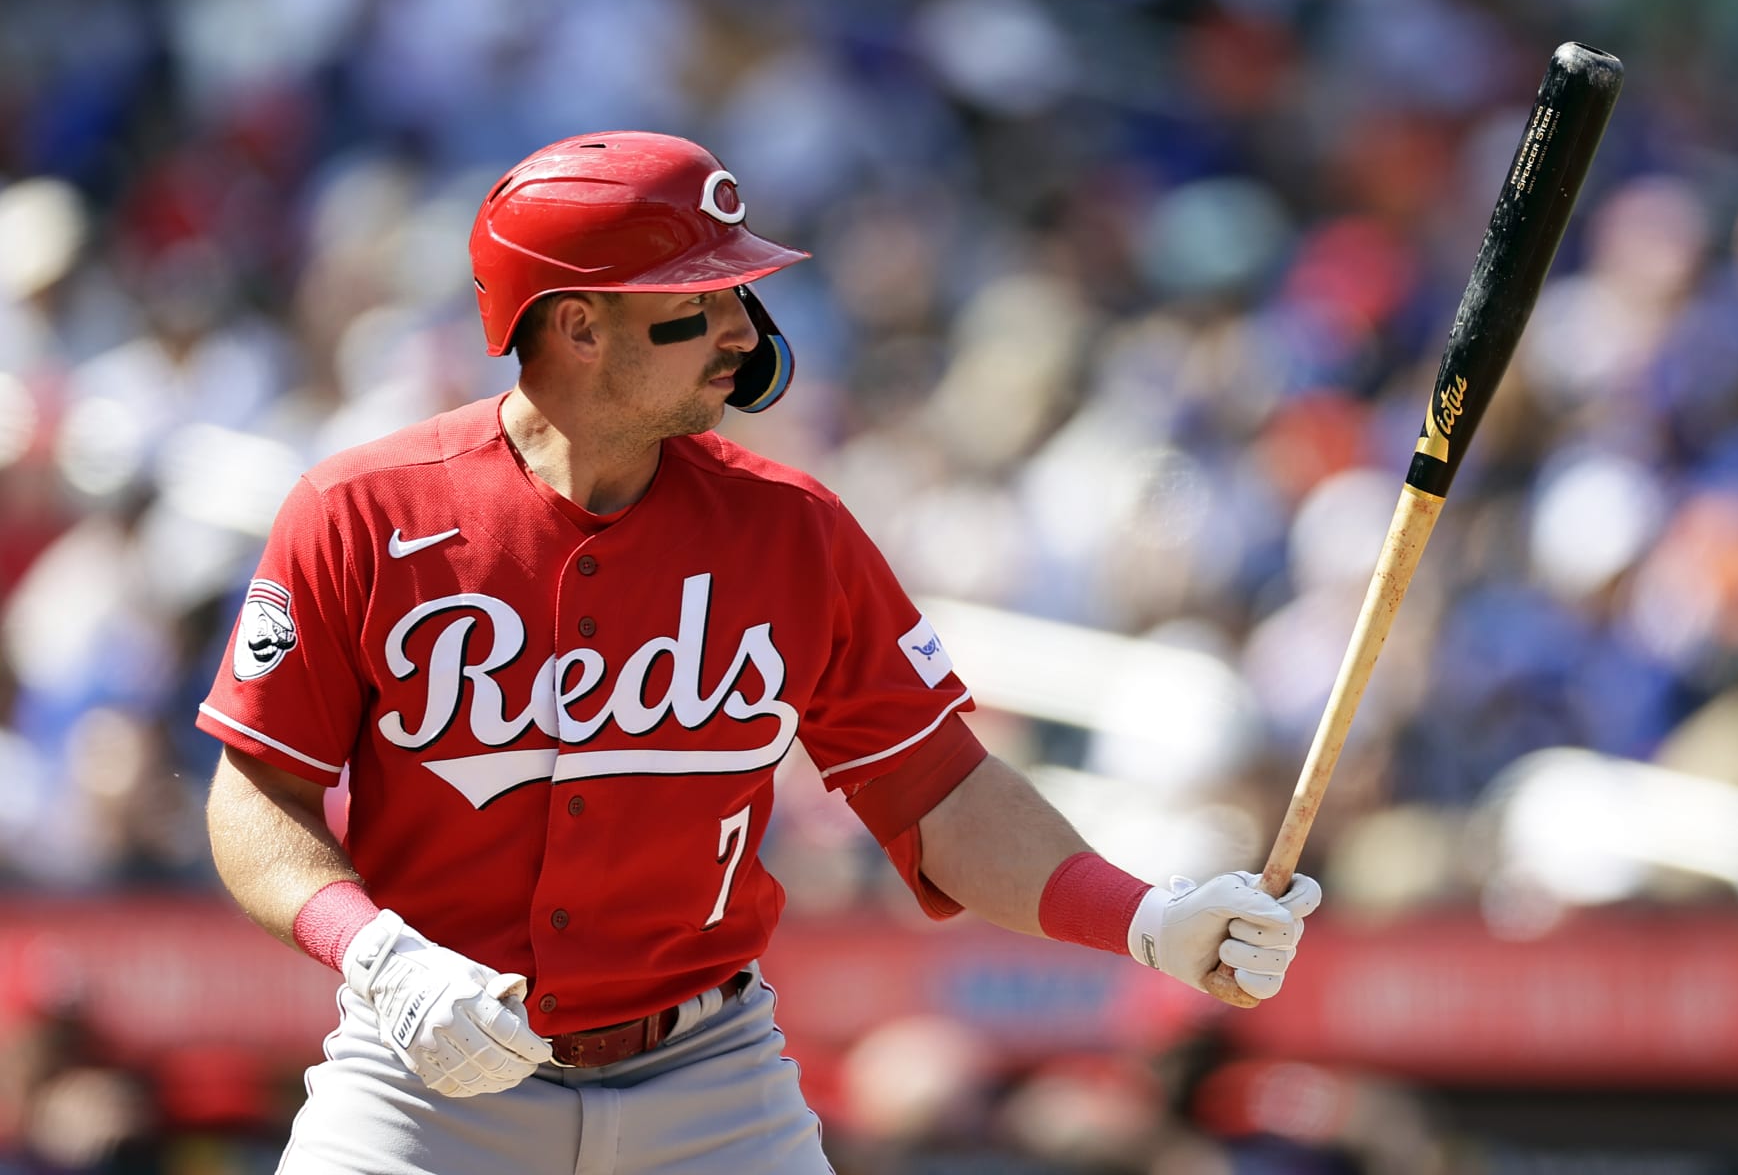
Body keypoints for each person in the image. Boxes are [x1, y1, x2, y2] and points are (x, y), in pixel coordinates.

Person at [199, 131, 1322, 1175]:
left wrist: (1145, 918)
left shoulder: (794, 530)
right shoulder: (361, 512)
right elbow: (256, 797)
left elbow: (940, 794)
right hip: (428, 1072)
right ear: (579, 325)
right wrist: (376, 958)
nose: (742, 329)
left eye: (737, 292)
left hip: (710, 1078)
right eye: (700, 297)